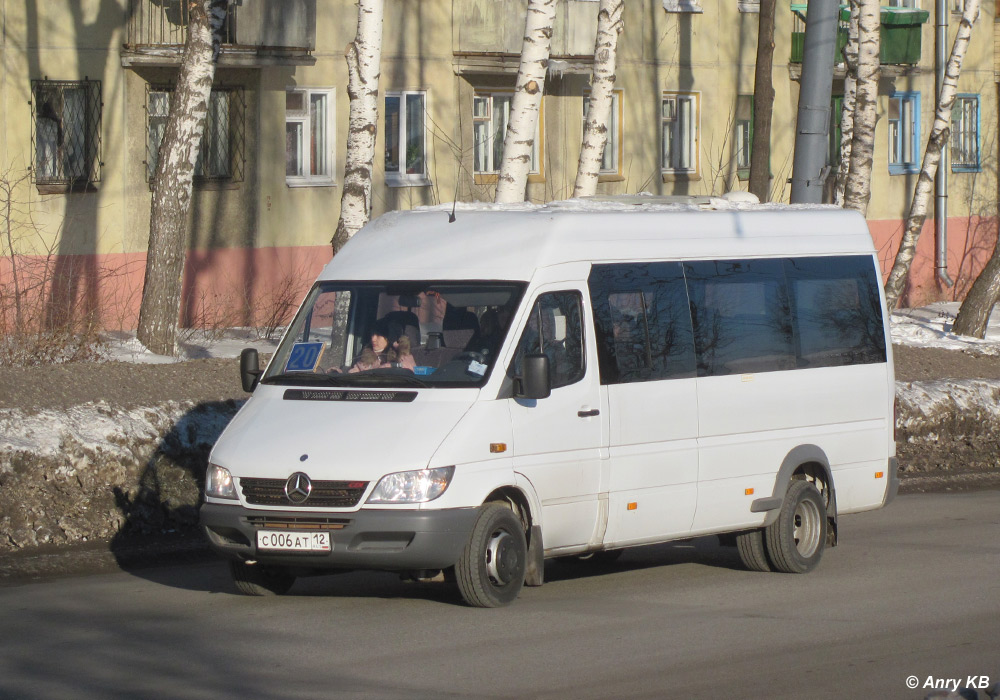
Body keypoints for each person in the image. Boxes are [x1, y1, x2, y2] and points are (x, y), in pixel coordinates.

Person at [348, 319, 414, 373]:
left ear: (389, 339)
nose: (373, 339)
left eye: (378, 335)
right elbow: (352, 376)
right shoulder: (365, 358)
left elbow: (410, 376)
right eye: (372, 334)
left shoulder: (403, 358)